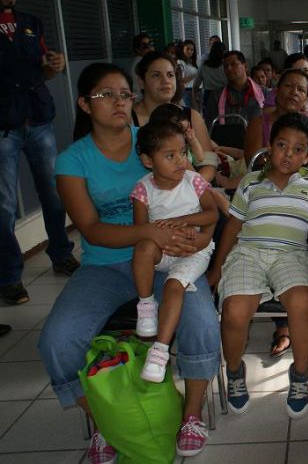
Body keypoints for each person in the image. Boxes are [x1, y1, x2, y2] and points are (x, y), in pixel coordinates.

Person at [40, 63, 220, 461]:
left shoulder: (155, 141)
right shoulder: (74, 160)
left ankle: (190, 416)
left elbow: (198, 180)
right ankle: (107, 424)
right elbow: (90, 228)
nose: (120, 102)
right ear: (85, 104)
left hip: (173, 257)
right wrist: (149, 233)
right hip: (105, 264)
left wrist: (202, 235)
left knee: (201, 321)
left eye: (124, 94)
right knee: (57, 339)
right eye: (107, 95)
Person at [208, 112, 308, 417]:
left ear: (307, 155)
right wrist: (216, 267)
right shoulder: (251, 183)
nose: (288, 154)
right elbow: (232, 227)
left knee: (302, 305)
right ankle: (236, 372)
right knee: (235, 311)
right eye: (282, 145)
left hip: (291, 254)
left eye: (298, 149)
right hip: (248, 253)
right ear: (269, 146)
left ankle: (301, 375)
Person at [0, 0, 78, 305]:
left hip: (38, 121)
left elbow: (43, 70)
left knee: (53, 193)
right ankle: (10, 277)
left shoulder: (30, 23)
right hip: (3, 126)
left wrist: (53, 67)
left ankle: (61, 254)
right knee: (3, 206)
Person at [131, 118, 218, 382]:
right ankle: (146, 305)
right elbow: (141, 230)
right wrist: (164, 238)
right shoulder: (142, 190)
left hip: (193, 251)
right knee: (144, 248)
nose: (181, 161)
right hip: (161, 249)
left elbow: (212, 214)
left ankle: (159, 351)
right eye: (170, 155)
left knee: (173, 287)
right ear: (148, 161)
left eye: (183, 152)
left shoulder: (194, 182)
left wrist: (184, 223)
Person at [127, 51, 217, 182]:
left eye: (170, 75)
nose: (166, 81)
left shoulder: (191, 116)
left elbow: (209, 164)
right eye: (156, 75)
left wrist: (191, 188)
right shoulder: (128, 119)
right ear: (141, 82)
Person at [206, 50, 264, 135]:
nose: (229, 68)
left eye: (233, 64)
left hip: (257, 143)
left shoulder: (264, 93)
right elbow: (209, 126)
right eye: (226, 66)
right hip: (226, 144)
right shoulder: (216, 95)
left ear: (245, 66)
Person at [193, 41, 227, 117]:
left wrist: (195, 98)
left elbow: (196, 85)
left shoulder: (204, 66)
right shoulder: (225, 66)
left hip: (208, 95)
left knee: (209, 119)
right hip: (224, 94)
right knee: (224, 117)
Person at [177, 39, 199, 109]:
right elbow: (181, 80)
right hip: (187, 90)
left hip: (197, 90)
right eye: (187, 49)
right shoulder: (180, 62)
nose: (190, 51)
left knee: (198, 113)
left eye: (192, 50)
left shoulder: (193, 62)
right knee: (189, 112)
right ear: (183, 49)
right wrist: (195, 75)